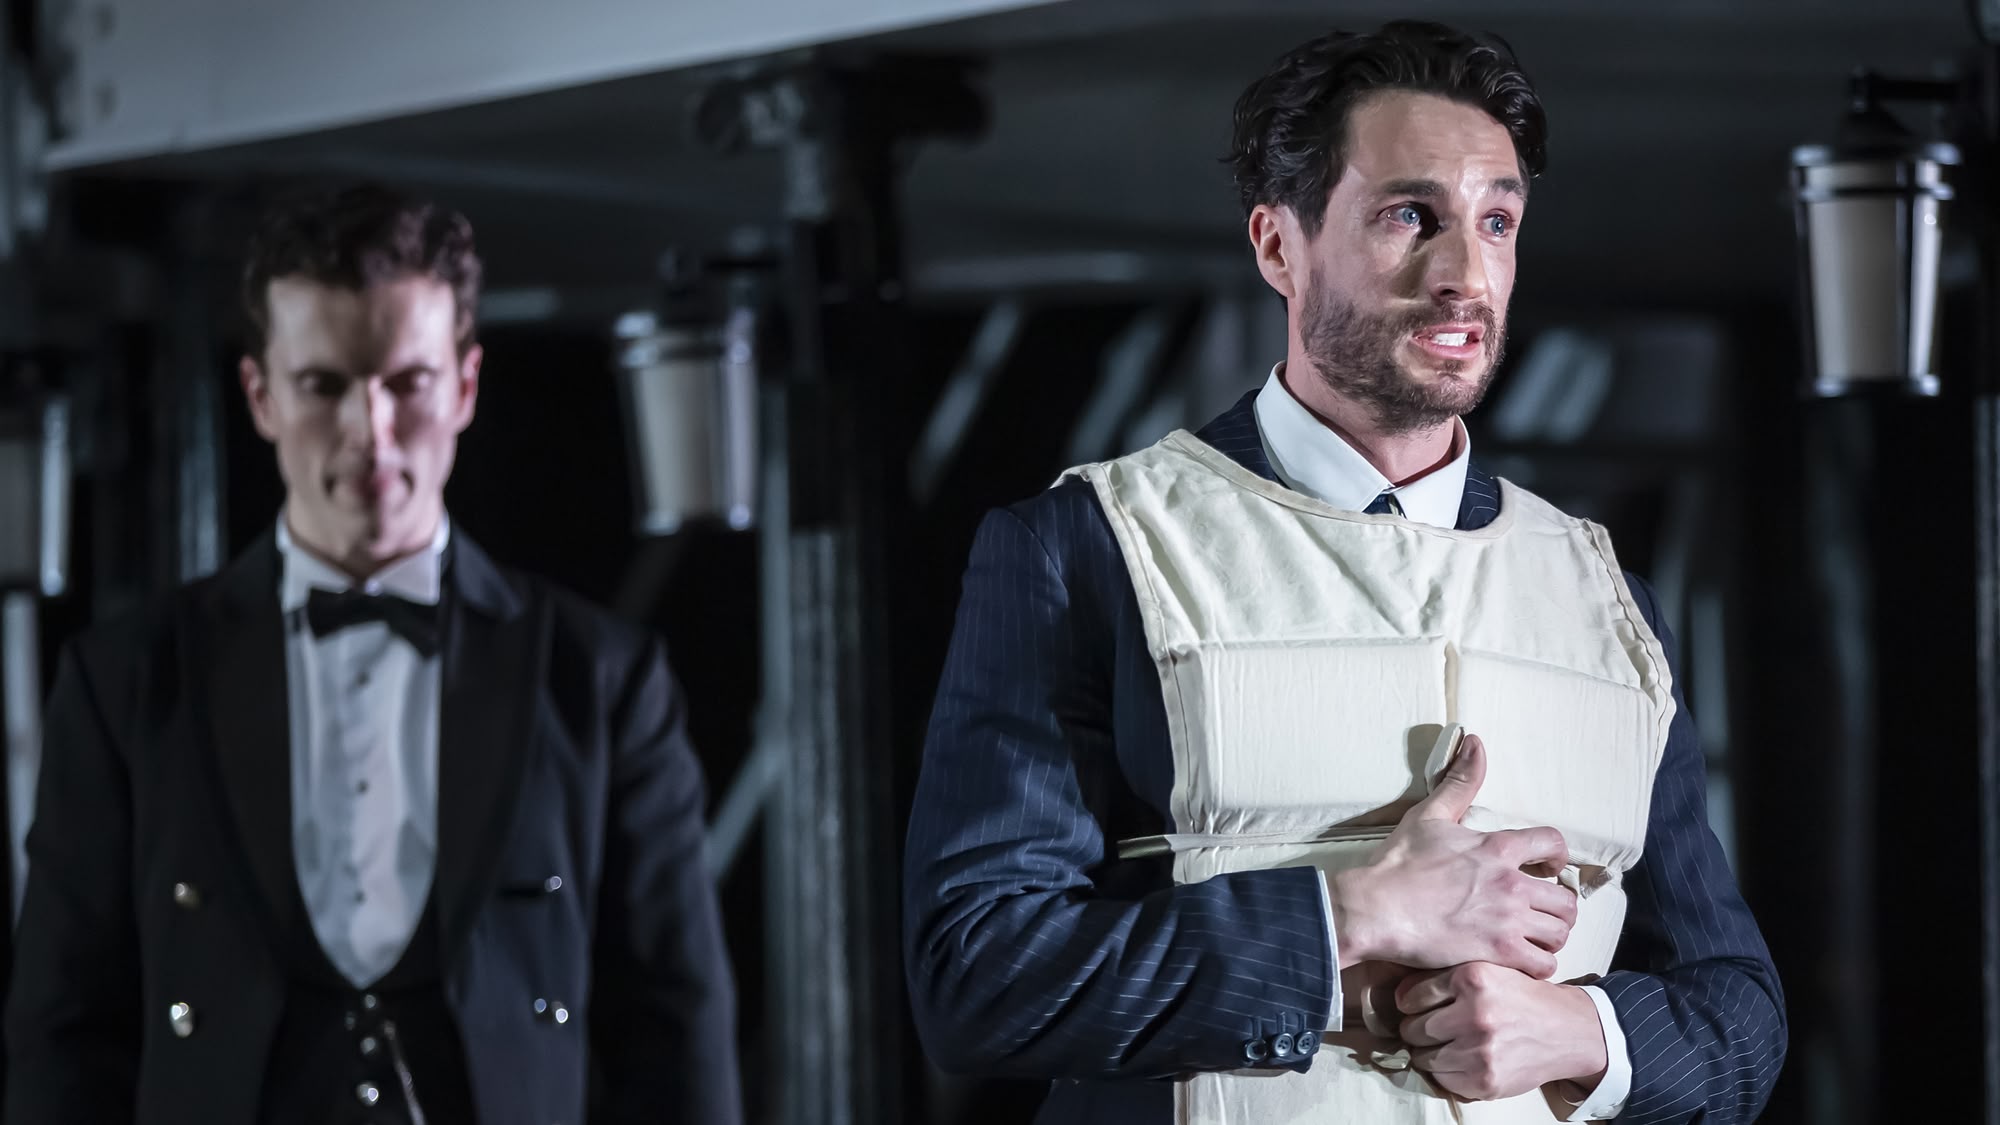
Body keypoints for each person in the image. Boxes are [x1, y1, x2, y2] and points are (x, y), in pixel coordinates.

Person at [904, 20, 1784, 1125]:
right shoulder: (1088, 548)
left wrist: (1581, 1031)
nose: (1464, 274)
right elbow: (979, 977)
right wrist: (1349, 914)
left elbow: (1741, 1016)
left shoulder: (1605, 599)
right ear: (1279, 246)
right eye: (1409, 215)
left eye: (1496, 221)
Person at [4, 184, 741, 1125]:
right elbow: (63, 1035)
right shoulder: (126, 681)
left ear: (465, 386)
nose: (371, 433)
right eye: (325, 385)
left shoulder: (601, 679)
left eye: (407, 383)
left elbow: (677, 1029)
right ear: (261, 395)